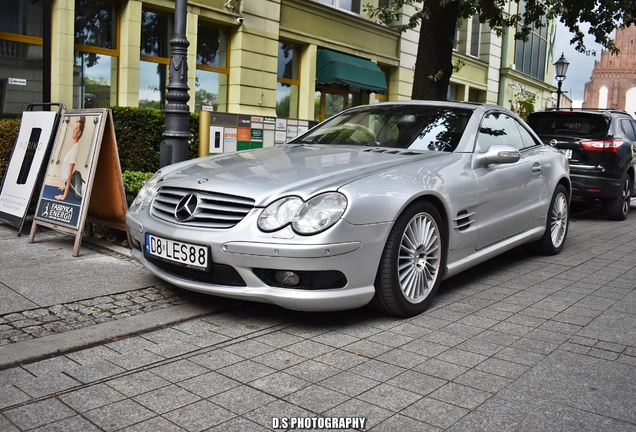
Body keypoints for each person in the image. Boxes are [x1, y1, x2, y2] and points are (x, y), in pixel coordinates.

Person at [56, 116, 85, 201]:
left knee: (79, 196)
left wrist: (64, 196)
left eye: (76, 129)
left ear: (79, 133)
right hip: (70, 183)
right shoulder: (73, 147)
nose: (73, 130)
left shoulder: (75, 148)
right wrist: (65, 186)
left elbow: (70, 174)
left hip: (76, 185)